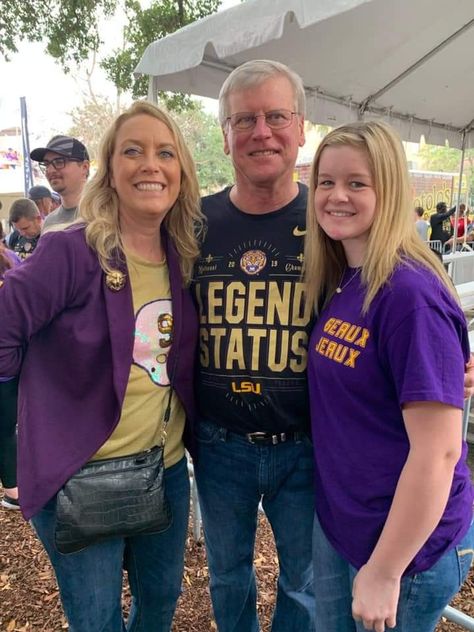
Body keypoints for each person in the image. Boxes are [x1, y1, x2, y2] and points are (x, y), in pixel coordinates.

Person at [0, 101, 203, 631]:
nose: (150, 165)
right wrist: (15, 434)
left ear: (182, 172)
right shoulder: (70, 251)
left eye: (165, 153)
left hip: (164, 469)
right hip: (78, 476)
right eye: (132, 151)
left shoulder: (185, 256)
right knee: (96, 621)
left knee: (160, 604)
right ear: (109, 169)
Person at [304, 120, 474, 632]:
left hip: (404, 550)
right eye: (326, 182)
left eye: (357, 183)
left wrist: (384, 570)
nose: (337, 196)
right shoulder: (347, 278)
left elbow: (439, 451)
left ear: (390, 189)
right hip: (346, 525)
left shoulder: (409, 294)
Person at [193, 59, 315, 631]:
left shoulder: (331, 217)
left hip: (310, 444)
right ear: (224, 135)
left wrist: (448, 361)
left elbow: (399, 288)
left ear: (302, 127)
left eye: (276, 116)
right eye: (243, 120)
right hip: (220, 446)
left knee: (306, 579)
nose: (261, 132)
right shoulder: (191, 224)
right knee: (226, 574)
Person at [30, 135, 90, 230]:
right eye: (46, 164)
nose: (50, 170)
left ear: (84, 167)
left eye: (59, 162)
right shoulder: (49, 223)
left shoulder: (106, 214)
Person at [0, 242, 21, 509]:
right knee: (6, 430)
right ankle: (15, 490)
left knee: (4, 432)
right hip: (15, 363)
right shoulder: (13, 258)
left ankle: (15, 492)